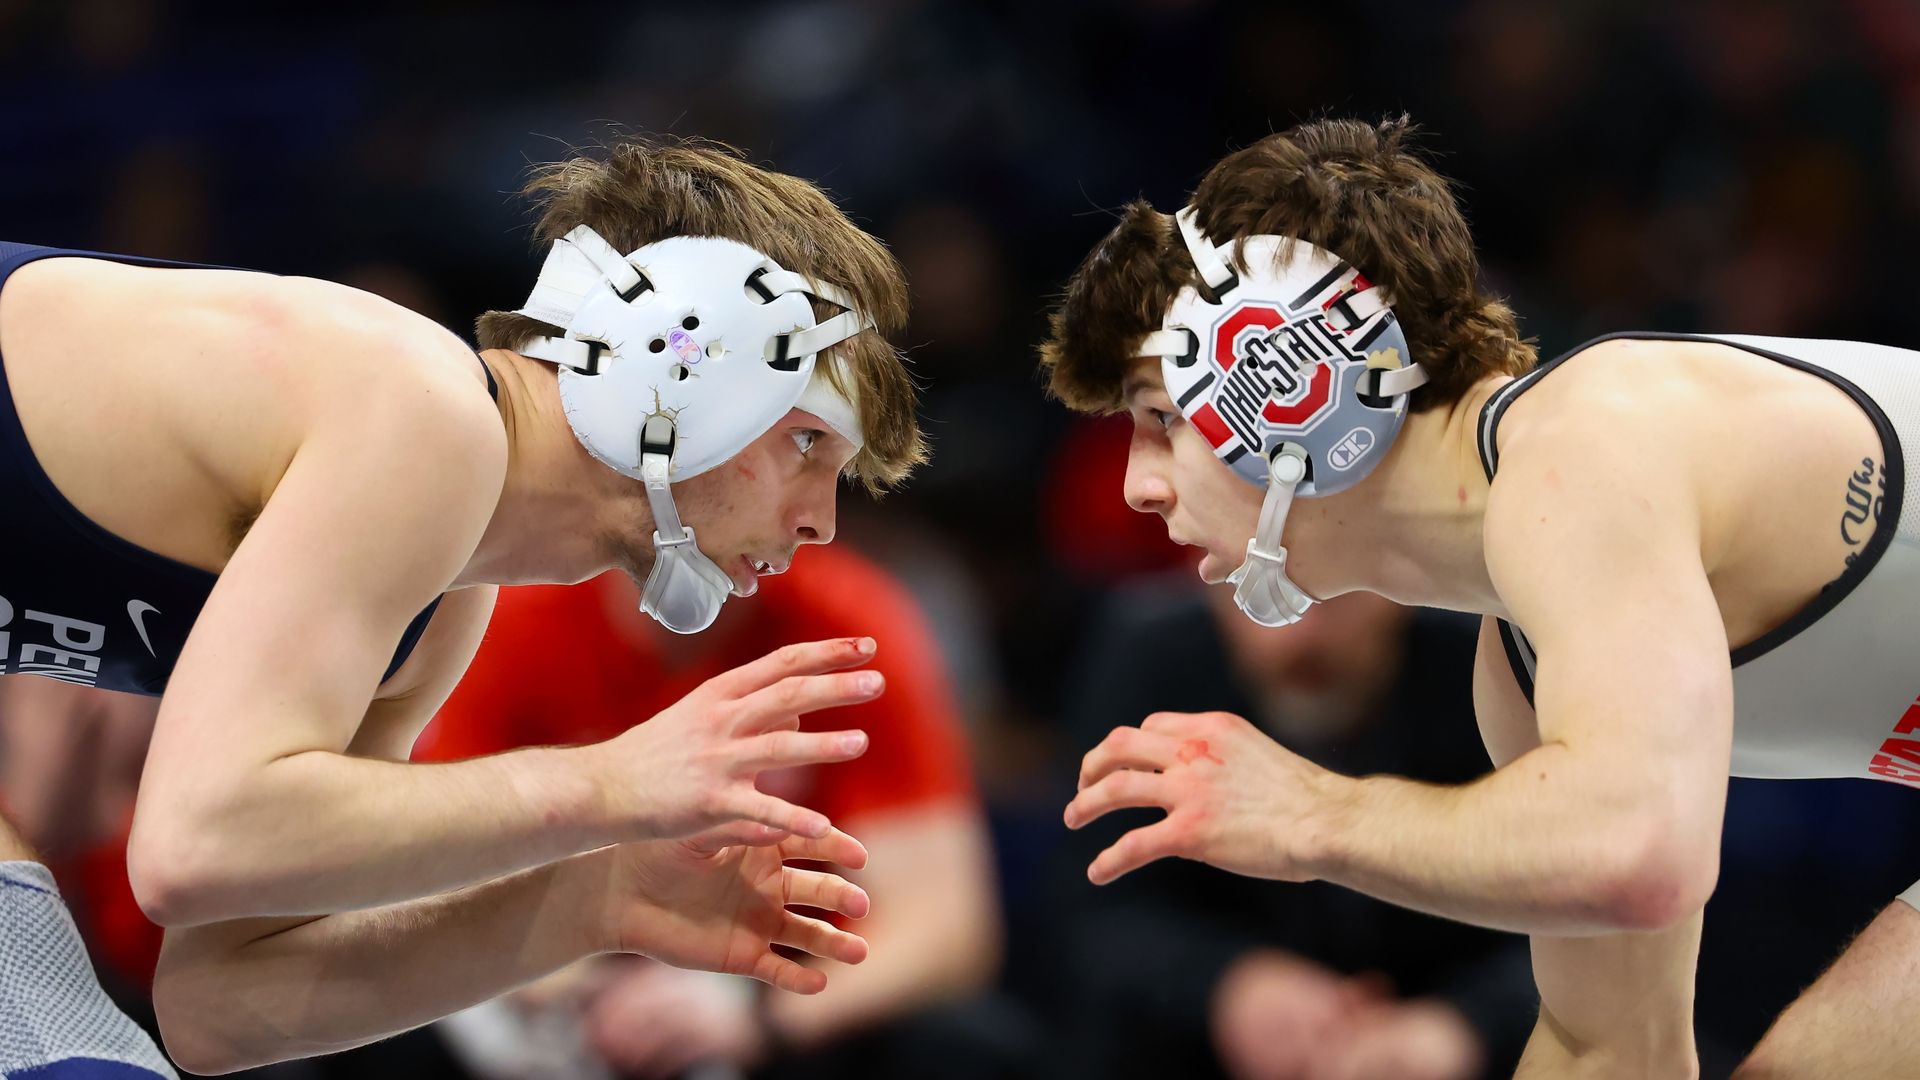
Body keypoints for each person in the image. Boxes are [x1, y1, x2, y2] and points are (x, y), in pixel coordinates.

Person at [0, 137, 925, 1074]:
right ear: (683, 363)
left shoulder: (445, 598)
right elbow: (194, 842)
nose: (821, 525)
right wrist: (606, 786)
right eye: (810, 442)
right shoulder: (423, 412)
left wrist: (598, 900)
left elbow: (218, 1005)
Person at [1038, 115, 1920, 1076]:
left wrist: (1311, 815)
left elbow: (1639, 851)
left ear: (1294, 384)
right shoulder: (1522, 660)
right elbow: (1606, 1045)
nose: (1138, 488)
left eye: (1161, 418)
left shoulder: (1590, 446)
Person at [411, 547, 1001, 1079]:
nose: (821, 518)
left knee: (964, 1045)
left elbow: (948, 927)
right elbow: (429, 884)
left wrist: (762, 1018)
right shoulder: (516, 616)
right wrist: (568, 975)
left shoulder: (851, 625)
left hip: (766, 995)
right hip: (562, 985)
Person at [1049, 584, 1534, 1080]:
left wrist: (1466, 1024)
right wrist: (1228, 984)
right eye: (1260, 598)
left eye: (1330, 597)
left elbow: (1560, 907)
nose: (1297, 635)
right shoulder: (1151, 656)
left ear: (1398, 585)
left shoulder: (1483, 665)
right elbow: (1092, 913)